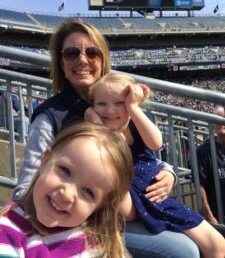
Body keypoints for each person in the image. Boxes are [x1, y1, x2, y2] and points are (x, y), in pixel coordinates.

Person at [13, 19, 201, 257]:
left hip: (135, 204)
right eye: (72, 53)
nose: (82, 60)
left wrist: (168, 172)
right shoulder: (50, 117)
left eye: (92, 52)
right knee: (185, 251)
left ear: (103, 61)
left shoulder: (121, 102)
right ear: (61, 63)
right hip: (88, 219)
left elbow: (140, 155)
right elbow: (23, 190)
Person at [86, 73, 225, 258]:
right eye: (101, 104)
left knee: (218, 245)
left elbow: (156, 143)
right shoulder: (98, 133)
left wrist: (133, 107)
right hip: (128, 200)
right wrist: (94, 120)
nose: (110, 110)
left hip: (157, 200)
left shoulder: (136, 124)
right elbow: (109, 146)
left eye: (119, 103)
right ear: (92, 106)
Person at [1, 122, 133, 257]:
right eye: (65, 171)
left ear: (101, 205)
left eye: (88, 192)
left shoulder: (99, 241)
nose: (67, 195)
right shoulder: (7, 231)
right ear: (45, 161)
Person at [195, 105, 225, 224]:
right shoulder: (203, 151)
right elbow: (200, 186)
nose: (220, 122)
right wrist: (209, 216)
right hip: (218, 217)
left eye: (223, 118)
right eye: (217, 119)